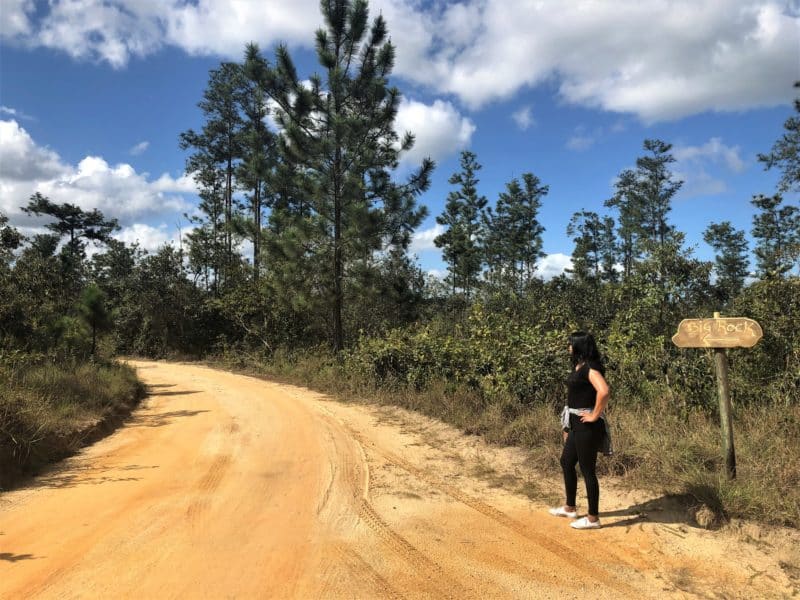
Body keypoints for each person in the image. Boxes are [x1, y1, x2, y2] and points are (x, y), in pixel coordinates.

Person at [548, 332, 610, 530]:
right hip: (576, 424)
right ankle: (570, 507)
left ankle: (593, 519)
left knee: (587, 470)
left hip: (587, 426)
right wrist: (569, 425)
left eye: (570, 344)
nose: (568, 347)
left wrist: (594, 415)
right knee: (566, 461)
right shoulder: (579, 366)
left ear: (579, 346)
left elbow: (604, 391)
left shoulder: (590, 368)